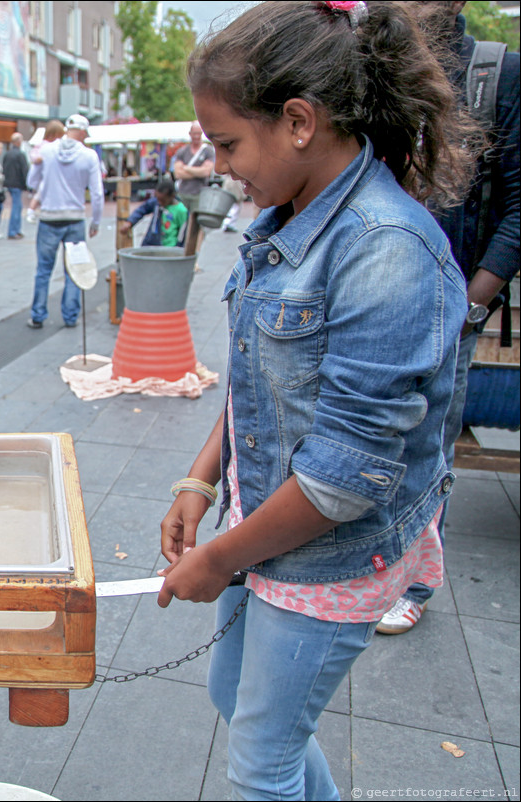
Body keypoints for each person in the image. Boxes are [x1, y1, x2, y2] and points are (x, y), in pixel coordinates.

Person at [156, 2, 480, 799]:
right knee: (235, 700)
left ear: (298, 121)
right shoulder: (285, 217)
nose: (223, 165)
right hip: (270, 525)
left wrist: (217, 559)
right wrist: (201, 481)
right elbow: (256, 378)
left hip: (329, 556)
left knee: (263, 760)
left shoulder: (385, 250)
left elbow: (342, 480)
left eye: (228, 143)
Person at [378, 0, 520, 637]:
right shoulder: (370, 63)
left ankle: (415, 579)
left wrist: (469, 307)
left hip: (449, 308)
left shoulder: (496, 75)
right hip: (368, 296)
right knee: (360, 434)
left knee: (428, 445)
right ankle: (362, 563)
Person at [24, 113, 103, 329]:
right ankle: (70, 316)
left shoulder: (47, 150)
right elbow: (97, 193)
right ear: (83, 132)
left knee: (43, 270)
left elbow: (31, 180)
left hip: (49, 218)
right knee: (74, 270)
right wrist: (95, 222)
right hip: (75, 220)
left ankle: (38, 315)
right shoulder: (89, 156)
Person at [119, 178, 188, 247]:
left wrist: (179, 249)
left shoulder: (181, 210)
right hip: (152, 243)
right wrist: (130, 222)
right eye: (157, 199)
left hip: (170, 248)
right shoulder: (156, 203)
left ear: (172, 196)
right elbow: (142, 209)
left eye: (162, 200)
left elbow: (183, 232)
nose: (159, 202)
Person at [171, 120, 215, 218]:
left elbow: (206, 172)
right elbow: (178, 173)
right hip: (183, 193)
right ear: (190, 134)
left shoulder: (208, 151)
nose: (196, 136)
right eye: (194, 133)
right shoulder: (182, 151)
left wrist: (186, 168)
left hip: (199, 193)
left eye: (198, 133)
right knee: (181, 221)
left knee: (198, 223)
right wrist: (198, 171)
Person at [26, 120, 64, 224]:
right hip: (45, 176)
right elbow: (34, 156)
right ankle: (31, 211)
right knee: (40, 193)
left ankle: (33, 211)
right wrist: (39, 158)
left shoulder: (49, 145)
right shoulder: (44, 146)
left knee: (41, 194)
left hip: (47, 176)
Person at [2, 132, 29, 239]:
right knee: (17, 207)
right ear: (18, 142)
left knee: (16, 206)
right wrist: (27, 185)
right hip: (17, 183)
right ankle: (13, 231)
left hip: (9, 183)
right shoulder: (20, 154)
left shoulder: (7, 154)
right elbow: (24, 170)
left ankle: (15, 230)